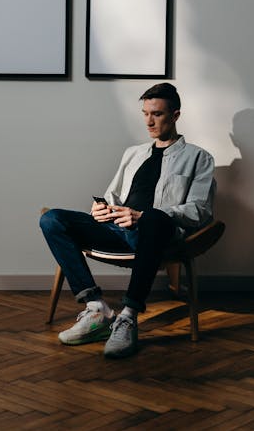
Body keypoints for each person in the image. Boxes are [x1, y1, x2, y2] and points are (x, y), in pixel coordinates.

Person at [39, 82, 215, 359]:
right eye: (145, 113)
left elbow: (200, 210)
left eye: (156, 113)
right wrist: (101, 209)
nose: (149, 121)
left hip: (156, 234)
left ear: (176, 115)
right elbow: (112, 196)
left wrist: (145, 216)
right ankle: (98, 309)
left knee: (154, 218)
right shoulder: (133, 153)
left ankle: (129, 316)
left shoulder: (198, 158)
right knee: (52, 219)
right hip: (116, 229)